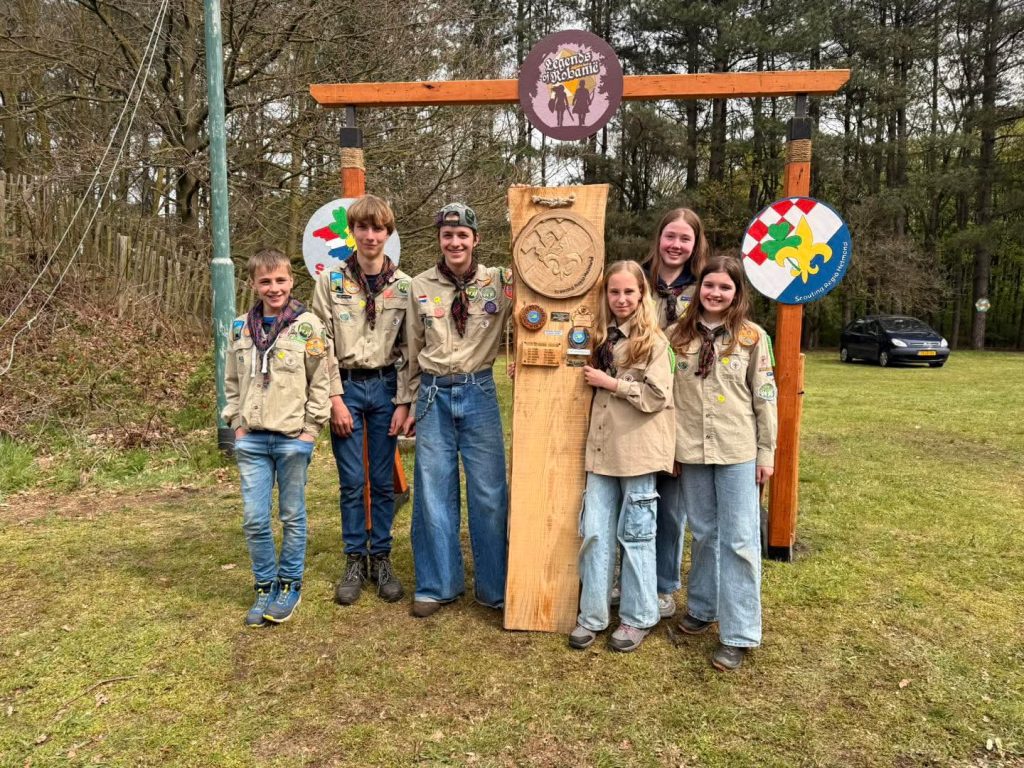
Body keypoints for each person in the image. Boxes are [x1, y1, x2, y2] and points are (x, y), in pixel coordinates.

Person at [397, 203, 514, 618]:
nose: (455, 242)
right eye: (448, 236)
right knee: (433, 490)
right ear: (440, 241)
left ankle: (494, 585)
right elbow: (411, 349)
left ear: (475, 239)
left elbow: (536, 307)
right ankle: (437, 583)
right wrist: (406, 401)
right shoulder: (419, 286)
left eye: (462, 235)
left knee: (489, 492)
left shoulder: (500, 281)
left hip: (478, 391)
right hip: (432, 394)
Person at [668, 254, 777, 670]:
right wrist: (669, 451)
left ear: (737, 293)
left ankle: (739, 631)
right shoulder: (676, 337)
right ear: (699, 290)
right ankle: (702, 607)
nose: (715, 293)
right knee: (704, 533)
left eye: (725, 287)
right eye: (709, 285)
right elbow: (668, 398)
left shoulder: (751, 338)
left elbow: (765, 400)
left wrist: (766, 453)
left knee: (740, 539)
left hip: (736, 451)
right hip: (692, 450)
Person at [568, 260, 675, 653]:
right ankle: (592, 615)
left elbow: (656, 397)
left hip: (636, 454)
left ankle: (638, 616)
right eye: (614, 292)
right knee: (595, 532)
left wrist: (612, 383)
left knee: (636, 536)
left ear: (642, 294)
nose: (621, 299)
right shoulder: (599, 336)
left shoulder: (653, 342)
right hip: (600, 452)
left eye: (629, 292)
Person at [310, 195, 410, 606]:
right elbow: (321, 344)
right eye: (362, 228)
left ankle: (381, 558)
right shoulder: (329, 282)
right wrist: (334, 399)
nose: (370, 236)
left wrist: (405, 402)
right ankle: (355, 558)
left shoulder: (405, 286)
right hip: (346, 386)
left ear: (388, 233)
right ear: (352, 233)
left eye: (378, 229)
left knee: (383, 482)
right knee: (353, 481)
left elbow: (410, 348)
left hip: (386, 387)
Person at [223, 248, 331, 626]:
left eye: (280, 280)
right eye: (265, 281)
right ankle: (264, 585)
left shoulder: (307, 326)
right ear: (253, 284)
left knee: (291, 515)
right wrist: (235, 424)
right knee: (254, 519)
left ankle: (289, 584)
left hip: (291, 439)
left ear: (291, 280)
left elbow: (322, 380)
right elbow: (232, 382)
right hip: (251, 439)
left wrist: (310, 431)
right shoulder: (239, 328)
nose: (274, 288)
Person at [647, 207, 709, 620]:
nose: (676, 245)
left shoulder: (705, 286)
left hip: (683, 401)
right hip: (637, 398)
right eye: (671, 236)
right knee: (632, 493)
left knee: (671, 503)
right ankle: (628, 574)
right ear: (660, 238)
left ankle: (663, 584)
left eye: (685, 239)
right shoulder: (638, 279)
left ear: (695, 244)